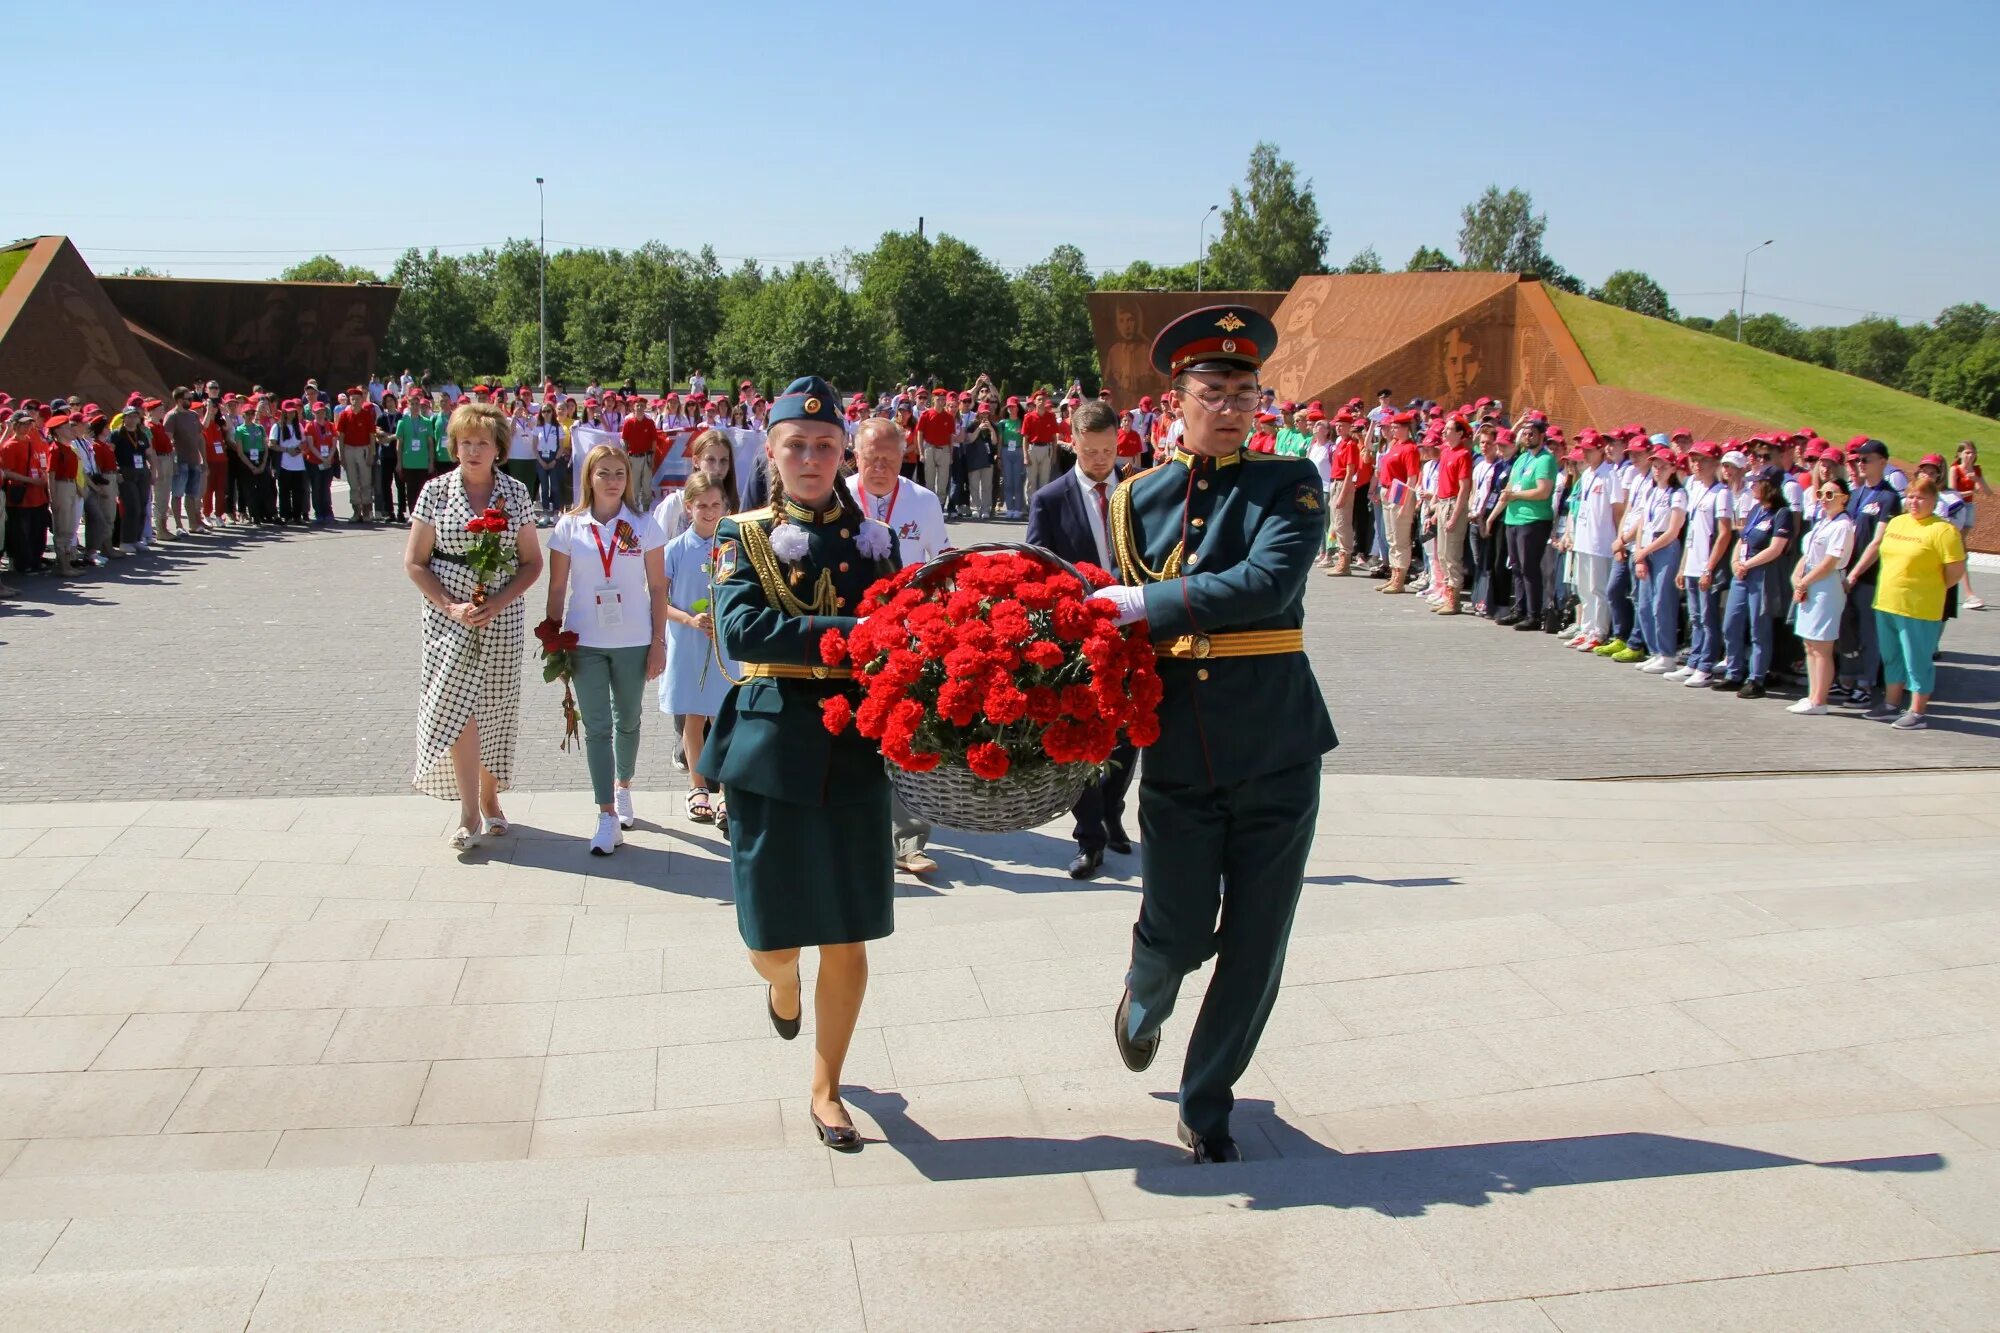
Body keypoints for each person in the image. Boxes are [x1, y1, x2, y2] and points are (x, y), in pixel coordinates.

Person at [1092, 306, 1336, 1164]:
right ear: (1177, 398)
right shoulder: (1137, 497)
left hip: (1275, 744)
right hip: (1181, 749)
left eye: (1245, 391)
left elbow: (1268, 585)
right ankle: (1146, 992)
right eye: (1213, 390)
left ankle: (1208, 1101)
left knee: (1259, 939)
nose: (1231, 406)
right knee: (1183, 922)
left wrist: (1146, 605)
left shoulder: (1291, 482)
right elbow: (1118, 645)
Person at [699, 375, 903, 1153]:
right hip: (771, 748)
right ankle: (780, 982)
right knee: (770, 934)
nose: (812, 457)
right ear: (772, 451)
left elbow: (904, 626)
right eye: (797, 445)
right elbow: (744, 630)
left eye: (825, 445)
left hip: (854, 748)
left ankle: (827, 1086)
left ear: (843, 451)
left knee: (847, 932)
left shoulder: (875, 537)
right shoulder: (740, 534)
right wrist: (860, 630)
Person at [403, 402, 544, 850]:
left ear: (498, 447)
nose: (473, 450)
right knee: (456, 707)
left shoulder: (515, 493)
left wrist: (499, 601)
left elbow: (531, 562)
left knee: (495, 706)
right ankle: (467, 813)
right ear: (455, 446)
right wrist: (450, 605)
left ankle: (490, 799)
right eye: (465, 442)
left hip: (501, 615)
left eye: (482, 442)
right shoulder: (436, 492)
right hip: (449, 617)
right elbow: (414, 562)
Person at [1027, 399, 1138, 880]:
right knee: (1084, 730)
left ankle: (1113, 811)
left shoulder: (1137, 490)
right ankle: (1088, 837)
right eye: (1091, 451)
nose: (1100, 460)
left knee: (1129, 731)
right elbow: (1036, 568)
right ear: (1071, 442)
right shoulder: (1050, 499)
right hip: (1078, 635)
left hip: (1136, 630)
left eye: (1108, 450)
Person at [545, 444, 668, 852]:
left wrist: (658, 642)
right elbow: (558, 587)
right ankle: (605, 816)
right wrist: (552, 637)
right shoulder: (569, 527)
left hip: (633, 640)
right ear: (589, 478)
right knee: (596, 727)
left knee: (628, 720)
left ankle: (624, 785)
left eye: (620, 473)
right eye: (604, 473)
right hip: (584, 642)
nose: (613, 481)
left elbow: (658, 587)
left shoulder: (645, 525)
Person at [846, 417, 949, 876]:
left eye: (889, 458)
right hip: (851, 632)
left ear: (904, 456)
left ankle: (910, 841)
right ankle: (858, 833)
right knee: (853, 731)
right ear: (855, 455)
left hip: (909, 638)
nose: (880, 467)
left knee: (908, 730)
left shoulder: (923, 503)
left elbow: (944, 566)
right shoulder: (838, 496)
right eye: (871, 459)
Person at [659, 471, 738, 827]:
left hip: (723, 644)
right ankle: (697, 787)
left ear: (725, 506)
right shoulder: (674, 549)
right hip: (688, 641)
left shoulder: (733, 549)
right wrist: (689, 620)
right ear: (688, 507)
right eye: (701, 505)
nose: (709, 511)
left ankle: (724, 792)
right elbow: (658, 601)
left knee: (722, 717)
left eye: (715, 504)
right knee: (693, 716)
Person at [1870, 475, 1966, 730]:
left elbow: (1955, 571)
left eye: (1921, 497)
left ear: (1934, 500)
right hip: (1887, 601)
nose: (1914, 502)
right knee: (1892, 657)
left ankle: (1917, 710)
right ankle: (1891, 704)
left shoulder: (1943, 530)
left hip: (1919, 607)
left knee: (1917, 660)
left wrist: (1930, 588)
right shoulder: (1897, 523)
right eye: (1911, 496)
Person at [1716, 466, 1796, 699]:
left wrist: (1747, 565)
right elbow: (1742, 539)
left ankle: (1757, 678)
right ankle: (1734, 672)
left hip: (1763, 574)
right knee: (1731, 623)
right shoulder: (1755, 510)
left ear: (1768, 484)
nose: (1752, 486)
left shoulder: (1782, 513)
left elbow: (1776, 548)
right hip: (1743, 574)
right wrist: (1735, 562)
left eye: (1756, 482)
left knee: (1759, 629)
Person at [1838, 439, 1900, 708]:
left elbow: (1878, 541)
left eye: (1866, 459)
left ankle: (1865, 683)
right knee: (1848, 630)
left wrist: (1855, 574)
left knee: (1868, 632)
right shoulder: (1858, 493)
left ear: (1883, 462)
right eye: (1857, 460)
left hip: (1869, 576)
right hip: (1848, 572)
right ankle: (1847, 679)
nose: (1860, 464)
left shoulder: (1888, 497)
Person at [1789, 473, 1855, 715]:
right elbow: (1808, 556)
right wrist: (1797, 579)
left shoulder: (1843, 525)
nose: (1824, 499)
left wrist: (1804, 582)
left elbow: (1829, 562)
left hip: (1827, 585)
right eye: (1821, 494)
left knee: (1822, 645)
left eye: (1830, 495)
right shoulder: (1823, 522)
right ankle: (1812, 695)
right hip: (1811, 583)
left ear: (1844, 498)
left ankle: (1820, 699)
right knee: (1809, 643)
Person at [1668, 442, 1731, 685]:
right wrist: (1684, 566)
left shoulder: (1721, 493)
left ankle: (1705, 665)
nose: (1696, 465)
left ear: (1715, 463)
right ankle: (1694, 660)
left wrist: (1709, 567)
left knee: (1708, 617)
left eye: (1702, 460)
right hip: (1693, 562)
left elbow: (1723, 533)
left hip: (1707, 565)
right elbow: (1692, 532)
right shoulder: (1694, 489)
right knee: (1695, 617)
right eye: (1694, 460)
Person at [1631, 449, 1688, 674]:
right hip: (1646, 546)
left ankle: (1667, 653)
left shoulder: (1678, 494)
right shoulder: (1651, 491)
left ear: (1673, 468)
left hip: (1664, 547)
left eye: (1664, 466)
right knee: (1644, 603)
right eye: (1655, 466)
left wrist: (1645, 551)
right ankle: (1655, 650)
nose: (1658, 470)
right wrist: (1639, 552)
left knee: (1662, 603)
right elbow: (1642, 523)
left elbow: (1673, 531)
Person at [1948, 443, 1989, 609]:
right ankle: (1968, 594)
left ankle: (1967, 593)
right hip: (1957, 508)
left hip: (1969, 508)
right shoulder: (1955, 469)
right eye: (1967, 452)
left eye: (1973, 452)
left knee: (1959, 549)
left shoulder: (1976, 471)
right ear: (1960, 454)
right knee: (1960, 550)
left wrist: (1977, 479)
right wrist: (1971, 491)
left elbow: (1987, 492)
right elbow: (1952, 493)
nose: (1970, 456)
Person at [334, 389, 376, 523]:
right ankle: (356, 511)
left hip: (363, 449)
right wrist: (342, 455)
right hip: (349, 450)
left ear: (362, 400)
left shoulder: (367, 415)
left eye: (357, 398)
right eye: (352, 399)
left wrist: (371, 454)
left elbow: (372, 436)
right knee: (353, 482)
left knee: (365, 481)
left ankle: (367, 511)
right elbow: (341, 436)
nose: (355, 401)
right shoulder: (344, 415)